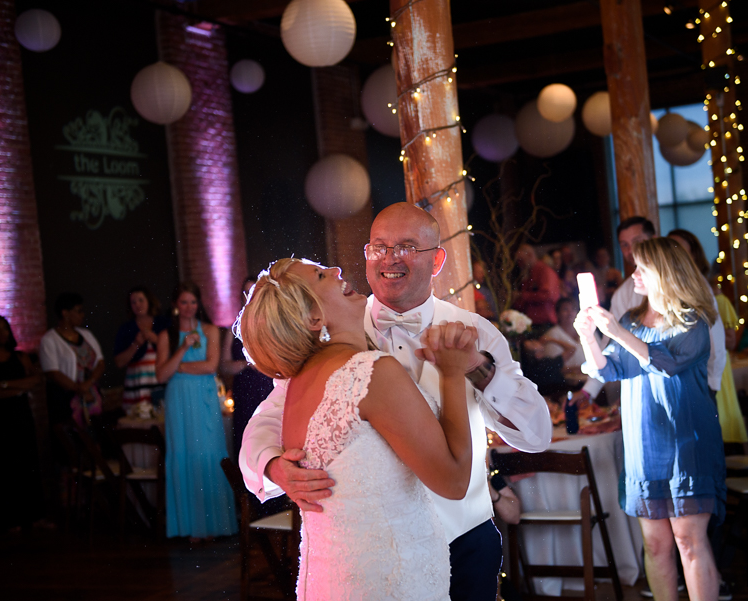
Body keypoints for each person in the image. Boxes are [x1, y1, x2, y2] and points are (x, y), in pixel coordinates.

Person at [240, 202, 551, 601]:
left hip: (465, 536)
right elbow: (266, 423)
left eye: (406, 247)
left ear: (436, 260)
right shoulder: (332, 329)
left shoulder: (475, 331)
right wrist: (274, 467)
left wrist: (474, 366)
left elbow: (536, 434)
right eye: (379, 247)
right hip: (377, 553)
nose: (390, 258)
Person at [236, 258, 477, 600]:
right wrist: (453, 374)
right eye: (321, 275)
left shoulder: (301, 383)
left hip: (333, 579)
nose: (336, 271)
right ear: (313, 318)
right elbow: (453, 481)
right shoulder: (370, 372)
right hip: (389, 580)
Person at [576, 237, 726, 601]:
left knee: (688, 541)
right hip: (645, 443)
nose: (634, 274)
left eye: (642, 267)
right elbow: (609, 370)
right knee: (656, 546)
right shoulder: (631, 320)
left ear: (666, 272)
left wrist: (616, 332)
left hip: (686, 440)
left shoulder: (694, 321)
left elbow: (668, 364)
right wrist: (588, 338)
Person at [156, 282, 236, 542]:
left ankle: (214, 526)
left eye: (192, 302)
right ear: (175, 306)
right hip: (178, 399)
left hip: (202, 397)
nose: (189, 307)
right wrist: (182, 349)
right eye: (183, 302)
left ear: (198, 304)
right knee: (183, 453)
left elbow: (211, 366)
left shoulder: (211, 330)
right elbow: (160, 374)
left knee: (208, 453)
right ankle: (189, 527)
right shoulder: (166, 336)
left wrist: (178, 367)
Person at [668, 229, 747, 446]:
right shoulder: (676, 284)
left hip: (707, 374)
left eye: (680, 250)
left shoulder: (696, 283)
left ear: (693, 254)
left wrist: (711, 385)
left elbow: (716, 337)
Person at [0, 316, 47, 531]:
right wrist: (16, 390)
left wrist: (2, 385)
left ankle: (34, 515)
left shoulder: (21, 357)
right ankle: (8, 519)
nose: (2, 333)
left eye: (5, 329)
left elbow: (34, 380)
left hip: (21, 416)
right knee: (2, 466)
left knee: (28, 463)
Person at [220, 277, 274, 458]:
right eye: (246, 292)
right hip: (244, 387)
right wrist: (245, 363)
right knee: (245, 435)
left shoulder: (272, 324)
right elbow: (224, 365)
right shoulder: (234, 328)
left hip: (267, 384)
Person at [40, 293, 104, 428]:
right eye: (78, 311)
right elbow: (53, 373)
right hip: (66, 399)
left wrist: (89, 383)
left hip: (91, 395)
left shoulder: (86, 335)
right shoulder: (49, 340)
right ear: (65, 313)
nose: (82, 315)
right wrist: (78, 388)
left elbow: (100, 362)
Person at [114, 286, 169, 414]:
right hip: (137, 384)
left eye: (141, 300)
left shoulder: (163, 323)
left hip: (161, 382)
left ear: (149, 301)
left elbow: (176, 351)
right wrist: (136, 344)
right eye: (133, 302)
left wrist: (156, 340)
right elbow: (119, 362)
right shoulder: (126, 328)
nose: (137, 304)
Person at [609, 216, 655, 321]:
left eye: (637, 242)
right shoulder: (622, 294)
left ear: (653, 240)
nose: (631, 250)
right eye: (625, 245)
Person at [513, 243, 561, 334]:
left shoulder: (543, 271)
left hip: (544, 322)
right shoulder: (530, 273)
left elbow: (547, 295)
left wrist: (521, 295)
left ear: (530, 255)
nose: (520, 264)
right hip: (535, 322)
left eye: (521, 260)